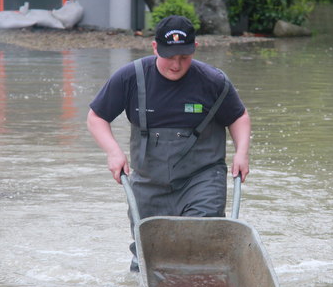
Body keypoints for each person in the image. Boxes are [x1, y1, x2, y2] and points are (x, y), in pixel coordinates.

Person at [87, 15, 251, 271]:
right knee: (149, 254)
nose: (176, 65)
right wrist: (113, 152)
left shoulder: (213, 81)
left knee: (199, 241)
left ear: (195, 49)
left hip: (202, 178)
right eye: (169, 56)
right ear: (154, 48)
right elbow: (96, 117)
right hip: (149, 182)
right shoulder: (131, 78)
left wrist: (242, 153)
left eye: (184, 57)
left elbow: (238, 117)